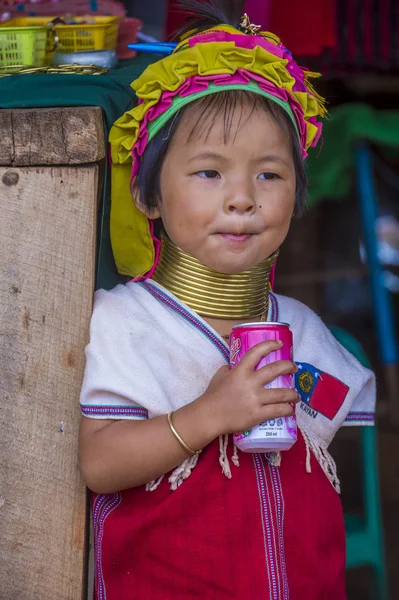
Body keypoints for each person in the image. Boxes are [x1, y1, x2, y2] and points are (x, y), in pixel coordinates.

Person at [79, 1, 376, 598]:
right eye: (209, 173)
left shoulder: (303, 329)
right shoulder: (126, 325)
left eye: (269, 174)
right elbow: (99, 464)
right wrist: (210, 414)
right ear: (149, 196)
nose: (242, 197)